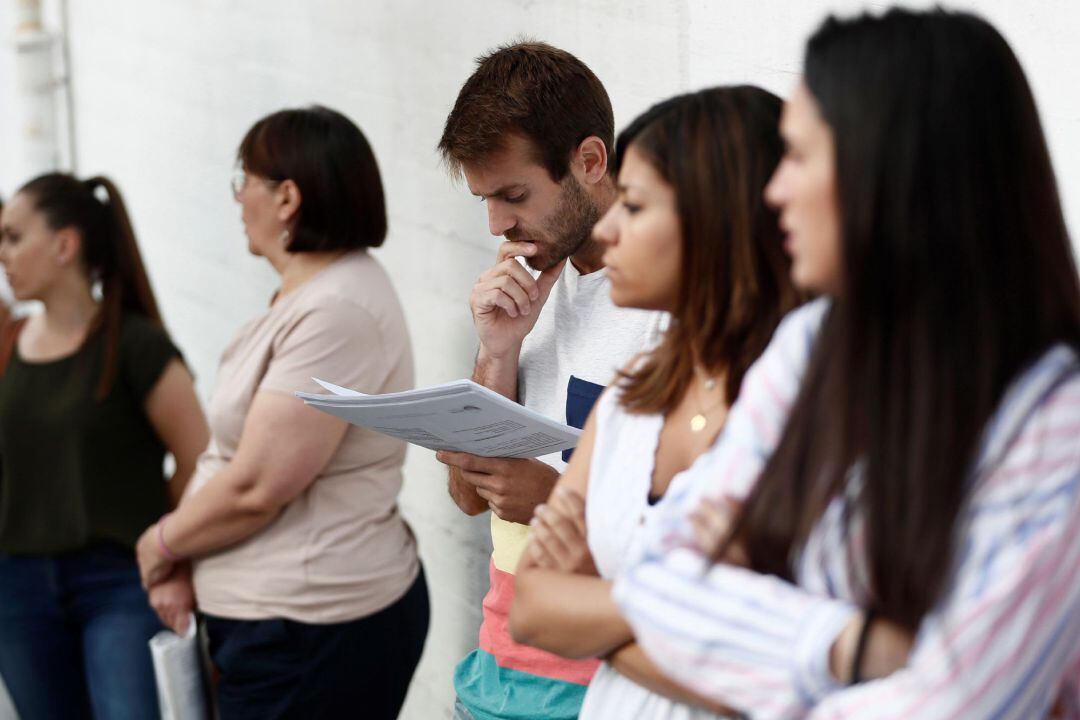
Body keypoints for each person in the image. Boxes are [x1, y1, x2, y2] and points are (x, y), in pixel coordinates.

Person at [611, 8, 1080, 719]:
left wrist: (751, 597)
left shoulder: (1055, 420)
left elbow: (955, 707)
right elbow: (650, 579)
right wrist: (856, 645)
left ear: (888, 166)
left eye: (798, 157)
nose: (775, 192)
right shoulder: (811, 345)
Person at [509, 86, 803, 720]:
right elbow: (531, 609)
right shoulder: (637, 389)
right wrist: (680, 611)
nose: (608, 228)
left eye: (635, 206)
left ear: (717, 222)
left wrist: (590, 599)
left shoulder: (803, 409)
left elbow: (771, 676)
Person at [134, 106, 428, 720]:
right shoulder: (313, 294)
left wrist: (162, 543)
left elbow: (257, 486)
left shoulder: (335, 312)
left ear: (287, 197)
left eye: (245, 181)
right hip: (283, 626)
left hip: (308, 632)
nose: (238, 198)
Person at [435, 41, 665, 720]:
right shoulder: (523, 289)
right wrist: (497, 352)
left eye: (514, 195)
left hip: (608, 685)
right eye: (485, 199)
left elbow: (700, 535)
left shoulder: (664, 306)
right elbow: (467, 498)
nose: (498, 225)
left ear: (591, 162)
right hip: (499, 669)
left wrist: (553, 497)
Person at [0, 172, 208, 719]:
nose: (3, 254)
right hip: (16, 587)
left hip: (118, 583)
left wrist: (160, 538)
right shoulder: (6, 342)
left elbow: (199, 460)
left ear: (65, 245)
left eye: (14, 237)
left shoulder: (137, 346)